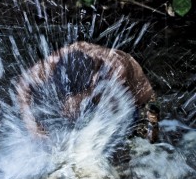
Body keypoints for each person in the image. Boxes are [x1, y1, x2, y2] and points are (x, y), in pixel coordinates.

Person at [16, 41, 159, 143]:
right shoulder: (55, 61)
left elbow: (110, 125)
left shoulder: (114, 72)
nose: (67, 103)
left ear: (90, 85)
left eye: (73, 98)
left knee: (136, 147)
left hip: (136, 101)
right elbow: (23, 85)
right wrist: (30, 123)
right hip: (95, 97)